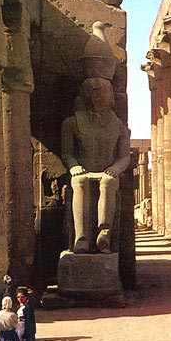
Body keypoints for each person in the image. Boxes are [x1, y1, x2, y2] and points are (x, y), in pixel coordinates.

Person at [61, 77, 130, 253]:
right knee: (80, 181)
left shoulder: (118, 125)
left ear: (110, 96)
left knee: (108, 181)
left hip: (108, 170)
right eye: (93, 95)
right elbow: (67, 153)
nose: (97, 99)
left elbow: (124, 157)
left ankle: (104, 233)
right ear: (85, 96)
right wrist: (73, 166)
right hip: (83, 169)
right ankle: (81, 236)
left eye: (101, 95)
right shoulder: (71, 122)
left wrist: (116, 168)